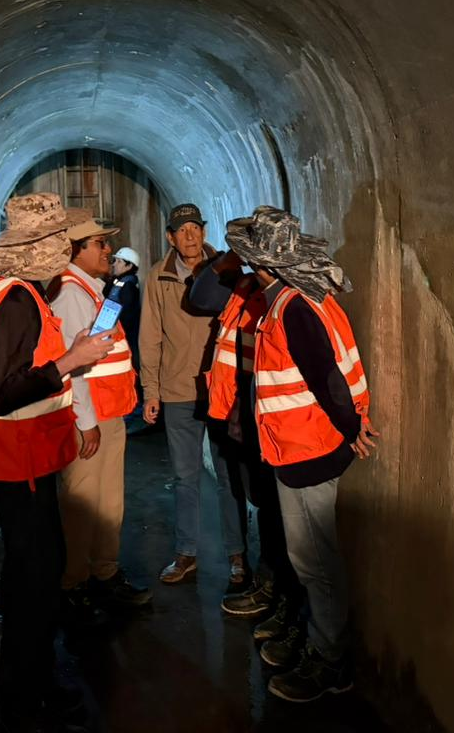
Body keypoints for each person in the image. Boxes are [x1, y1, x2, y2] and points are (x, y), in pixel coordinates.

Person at [0, 192, 114, 733]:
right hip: (16, 460)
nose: (62, 251)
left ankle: (34, 684)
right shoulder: (14, 299)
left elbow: (22, 367)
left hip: (18, 459)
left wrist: (63, 355)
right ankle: (26, 701)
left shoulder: (5, 290)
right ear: (37, 247)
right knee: (34, 583)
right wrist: (72, 361)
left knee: (39, 573)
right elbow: (4, 392)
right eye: (57, 242)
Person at [223, 205, 380, 704]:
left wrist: (351, 426)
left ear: (259, 264)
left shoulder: (290, 305)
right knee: (309, 557)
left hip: (308, 449)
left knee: (315, 560)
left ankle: (331, 662)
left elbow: (323, 374)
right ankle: (317, 641)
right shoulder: (297, 295)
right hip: (300, 445)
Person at [190, 245, 305, 649]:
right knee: (267, 507)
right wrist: (224, 260)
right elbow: (202, 297)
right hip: (246, 414)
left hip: (273, 422)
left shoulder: (285, 298)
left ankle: (287, 602)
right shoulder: (243, 289)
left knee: (280, 513)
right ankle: (269, 586)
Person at [140, 202, 249, 594]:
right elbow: (149, 337)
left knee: (228, 477)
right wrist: (150, 391)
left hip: (220, 390)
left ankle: (238, 555)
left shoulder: (225, 270)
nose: (189, 235)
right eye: (181, 230)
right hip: (177, 390)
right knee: (185, 478)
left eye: (195, 228)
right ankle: (186, 553)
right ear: (170, 237)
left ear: (204, 232)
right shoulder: (158, 277)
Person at [50, 219, 152, 625]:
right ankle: (74, 587)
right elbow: (75, 366)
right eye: (99, 244)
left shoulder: (92, 292)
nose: (108, 251)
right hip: (89, 421)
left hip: (109, 414)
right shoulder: (71, 295)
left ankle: (103, 575)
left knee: (108, 503)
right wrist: (86, 421)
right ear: (75, 249)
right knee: (82, 506)